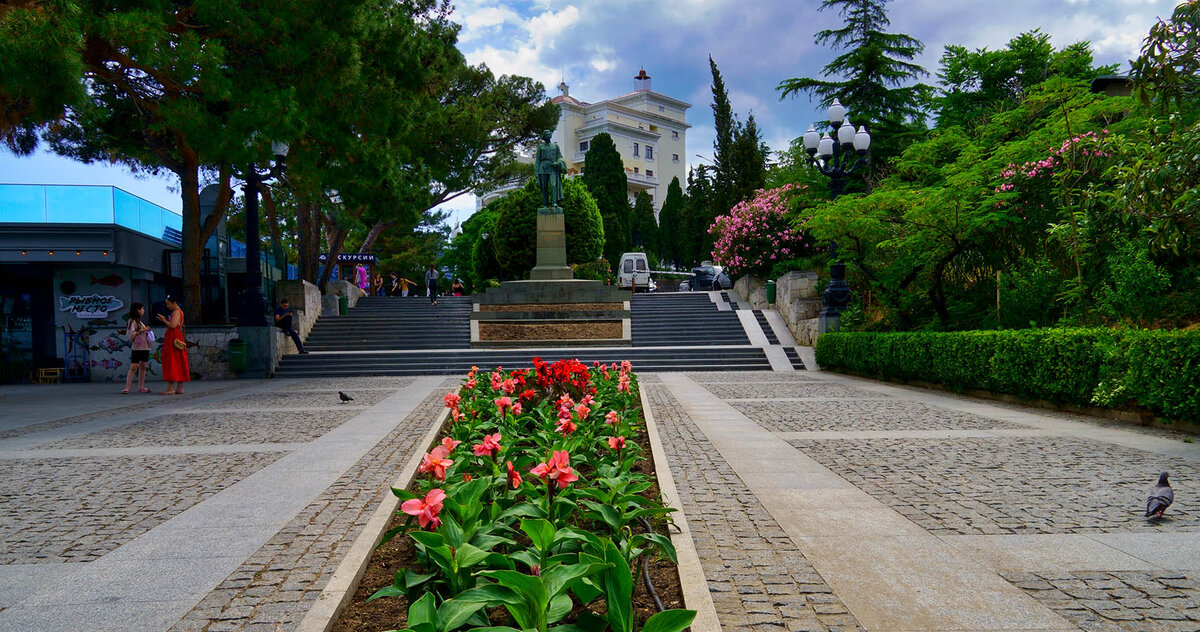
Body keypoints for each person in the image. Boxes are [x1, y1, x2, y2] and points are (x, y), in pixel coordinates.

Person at [156, 295, 190, 395]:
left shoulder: (177, 312)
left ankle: (170, 387)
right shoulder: (178, 312)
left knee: (171, 360)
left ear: (174, 303)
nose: (167, 306)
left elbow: (172, 325)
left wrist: (164, 320)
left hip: (173, 338)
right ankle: (179, 387)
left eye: (168, 303)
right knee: (179, 360)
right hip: (176, 337)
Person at [122, 302, 152, 394]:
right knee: (134, 366)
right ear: (137, 310)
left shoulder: (139, 321)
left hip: (145, 347)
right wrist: (142, 330)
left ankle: (141, 386)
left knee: (143, 366)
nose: (143, 311)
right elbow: (131, 334)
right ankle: (127, 387)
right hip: (137, 347)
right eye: (142, 309)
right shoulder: (132, 321)